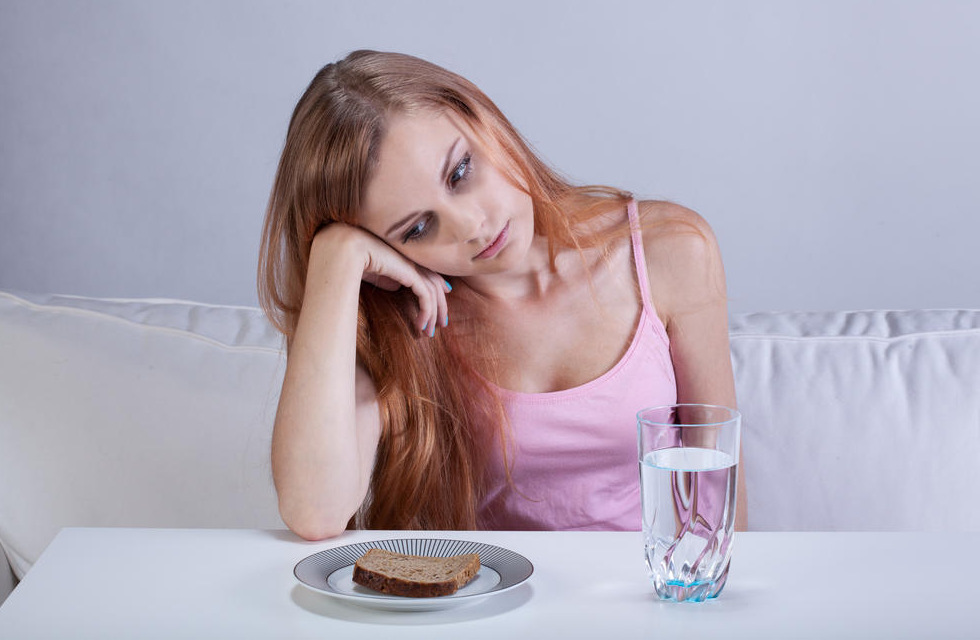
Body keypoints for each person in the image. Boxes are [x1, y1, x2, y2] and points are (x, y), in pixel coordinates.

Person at [258, 50, 746, 540]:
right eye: (419, 228)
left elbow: (722, 490)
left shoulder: (671, 249)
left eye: (460, 172)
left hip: (658, 599)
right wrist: (336, 256)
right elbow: (314, 512)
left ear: (483, 118)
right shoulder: (401, 325)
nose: (472, 226)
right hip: (488, 607)